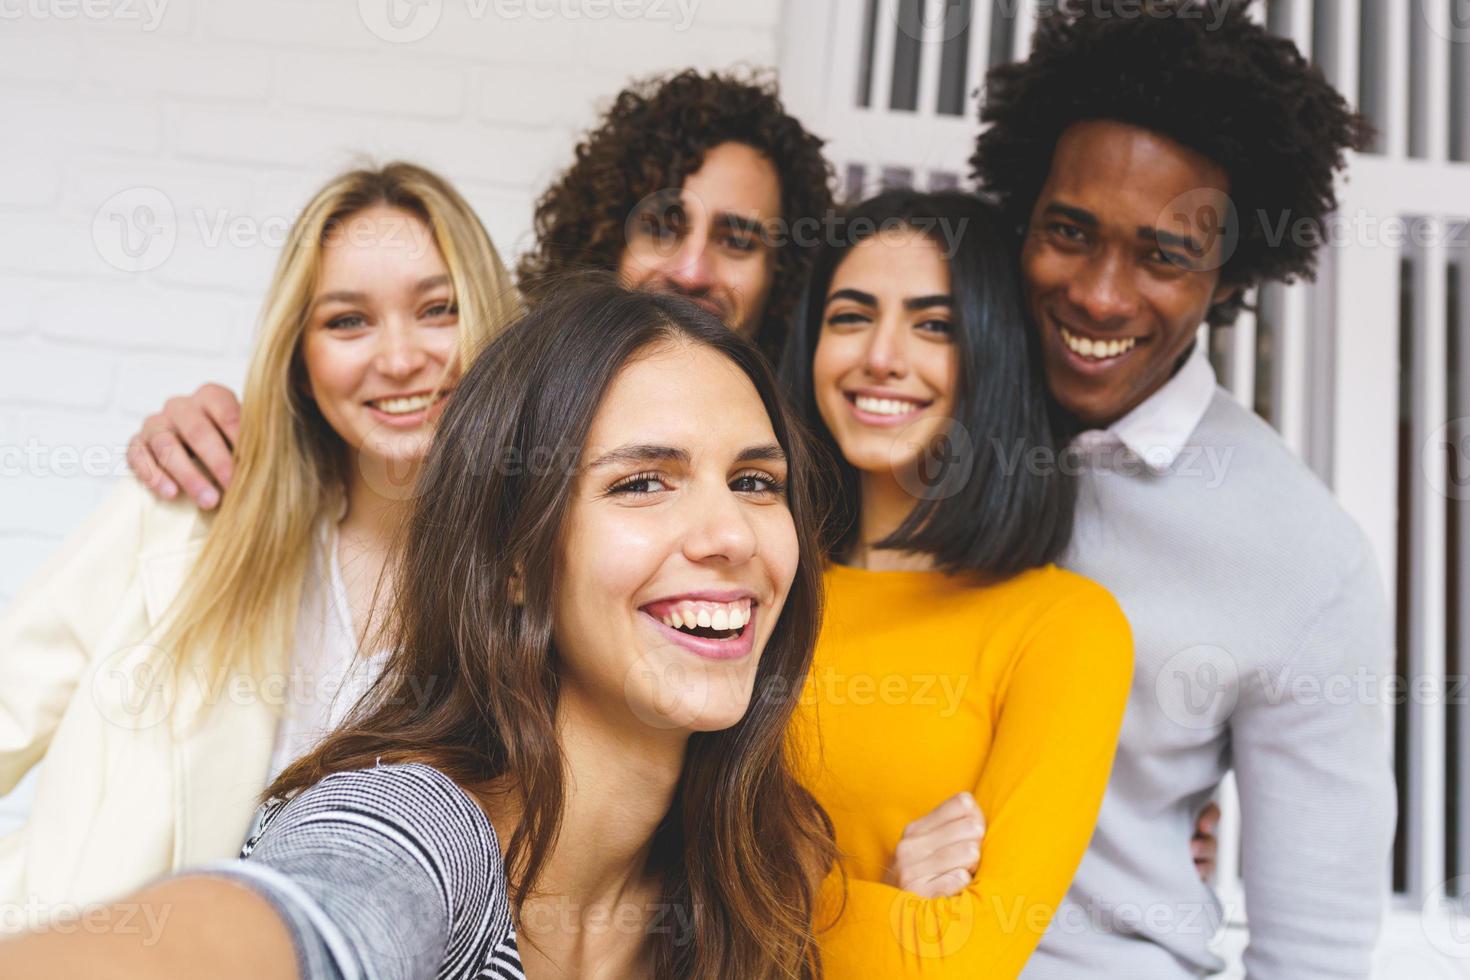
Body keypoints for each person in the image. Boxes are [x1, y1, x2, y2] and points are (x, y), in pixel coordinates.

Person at [0, 282, 838, 980]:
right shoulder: (419, 827)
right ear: (513, 559)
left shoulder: (768, 864)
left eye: (757, 481)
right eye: (645, 483)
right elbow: (325, 906)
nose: (730, 534)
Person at [970, 1, 1395, 976]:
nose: (1102, 294)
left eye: (1164, 254)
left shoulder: (1304, 555)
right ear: (1022, 218)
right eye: (1070, 231)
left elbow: (1314, 951)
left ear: (1230, 274)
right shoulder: (909, 423)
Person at [0, 162, 520, 918]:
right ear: (301, 362)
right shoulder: (184, 511)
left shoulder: (539, 577)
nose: (401, 358)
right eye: (348, 320)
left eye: (438, 310)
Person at [127, 68, 834, 506]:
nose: (691, 269)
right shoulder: (509, 398)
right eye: (662, 226)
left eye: (738, 239)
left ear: (783, 273)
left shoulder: (812, 454)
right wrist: (208, 424)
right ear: (605, 237)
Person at [780, 189, 1134, 976]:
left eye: (934, 325)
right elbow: (632, 888)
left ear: (992, 356)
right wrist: (883, 902)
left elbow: (961, 960)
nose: (881, 356)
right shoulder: (755, 585)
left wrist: (754, 888)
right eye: (850, 315)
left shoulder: (1064, 628)